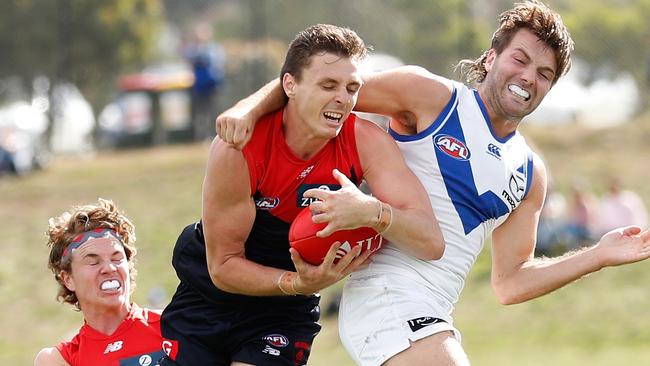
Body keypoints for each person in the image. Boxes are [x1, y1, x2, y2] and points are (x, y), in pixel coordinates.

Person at [215, 2, 650, 365]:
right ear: (491, 58)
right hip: (383, 295)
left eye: (544, 73)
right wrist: (248, 110)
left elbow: (509, 282)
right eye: (521, 59)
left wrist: (598, 255)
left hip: (433, 313)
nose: (528, 77)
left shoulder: (530, 172)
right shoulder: (429, 95)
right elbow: (317, 90)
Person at [159, 24, 443, 366]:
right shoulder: (240, 148)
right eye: (328, 85)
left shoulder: (364, 142)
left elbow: (431, 242)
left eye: (352, 88)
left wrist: (372, 212)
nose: (344, 98)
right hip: (209, 296)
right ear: (289, 87)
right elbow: (222, 266)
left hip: (283, 313)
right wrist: (295, 281)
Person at [34, 199, 164, 366]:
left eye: (116, 259)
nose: (109, 268)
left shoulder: (173, 326)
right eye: (93, 262)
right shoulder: (60, 359)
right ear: (68, 279)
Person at [183, 22, 226, 141]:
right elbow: (188, 60)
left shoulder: (214, 49)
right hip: (198, 87)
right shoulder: (192, 49)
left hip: (211, 86)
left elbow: (218, 64)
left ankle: (217, 135)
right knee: (200, 113)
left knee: (214, 111)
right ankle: (201, 136)